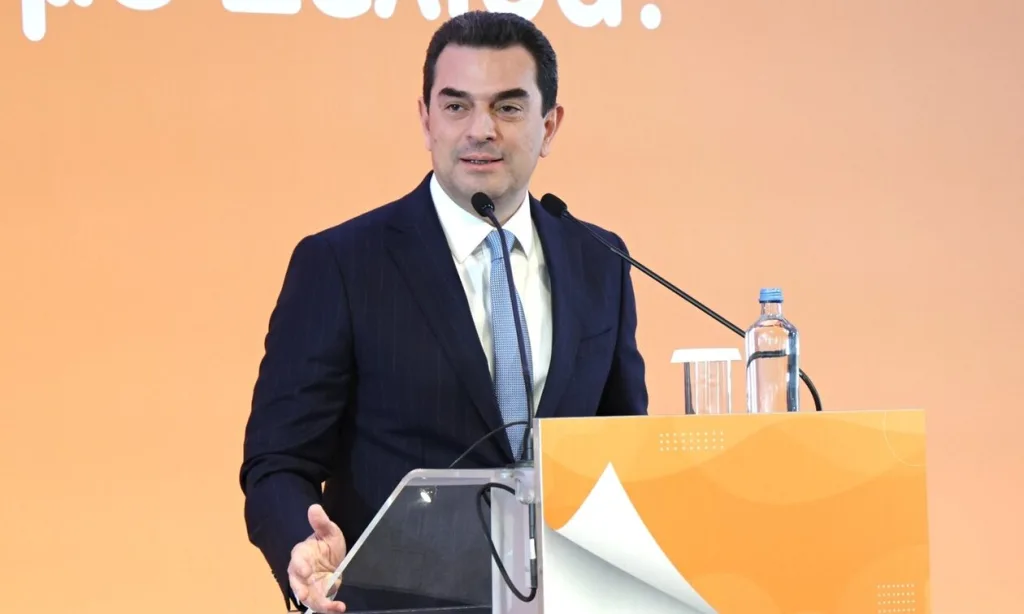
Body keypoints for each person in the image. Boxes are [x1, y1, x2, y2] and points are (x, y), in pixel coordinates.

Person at [240, 10, 648, 613]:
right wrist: (301, 548)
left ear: (549, 125)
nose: (481, 129)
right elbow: (278, 462)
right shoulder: (343, 263)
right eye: (457, 106)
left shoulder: (599, 259)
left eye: (508, 107)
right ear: (426, 120)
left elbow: (622, 448)